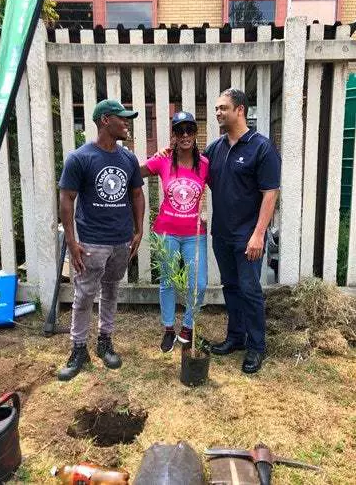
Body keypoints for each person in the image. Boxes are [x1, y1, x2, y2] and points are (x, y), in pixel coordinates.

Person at [57, 99, 145, 381]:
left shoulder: (128, 158)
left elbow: (136, 194)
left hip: (121, 241)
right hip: (91, 242)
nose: (127, 123)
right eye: (123, 118)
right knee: (83, 296)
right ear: (106, 120)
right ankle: (78, 348)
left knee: (110, 291)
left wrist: (139, 229)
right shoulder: (80, 158)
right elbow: (67, 199)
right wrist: (72, 241)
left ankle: (105, 341)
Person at [204, 88, 281, 373]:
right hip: (222, 235)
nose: (217, 113)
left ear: (240, 110)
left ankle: (256, 347)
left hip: (248, 236)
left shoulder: (261, 147)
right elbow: (194, 171)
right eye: (216, 108)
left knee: (249, 290)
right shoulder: (215, 148)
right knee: (231, 287)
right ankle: (235, 338)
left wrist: (259, 233)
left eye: (223, 107)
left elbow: (270, 193)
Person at [140, 112, 209, 353]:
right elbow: (134, 173)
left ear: (196, 132)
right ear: (174, 135)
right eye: (180, 131)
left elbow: (225, 187)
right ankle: (169, 328)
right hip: (166, 232)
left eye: (190, 129)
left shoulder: (205, 164)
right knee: (167, 282)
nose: (186, 135)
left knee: (198, 284)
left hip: (195, 234)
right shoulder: (163, 161)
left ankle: (187, 327)